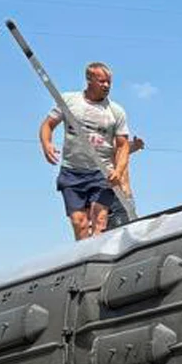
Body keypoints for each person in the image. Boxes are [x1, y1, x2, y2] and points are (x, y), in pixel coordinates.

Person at [40, 62, 132, 241]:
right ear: (89, 80)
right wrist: (47, 144)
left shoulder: (116, 111)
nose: (106, 86)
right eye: (102, 81)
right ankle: (83, 256)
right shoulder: (69, 101)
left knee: (99, 220)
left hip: (101, 172)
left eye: (109, 82)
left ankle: (97, 256)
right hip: (72, 171)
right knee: (79, 222)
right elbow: (47, 125)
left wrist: (118, 171)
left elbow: (123, 145)